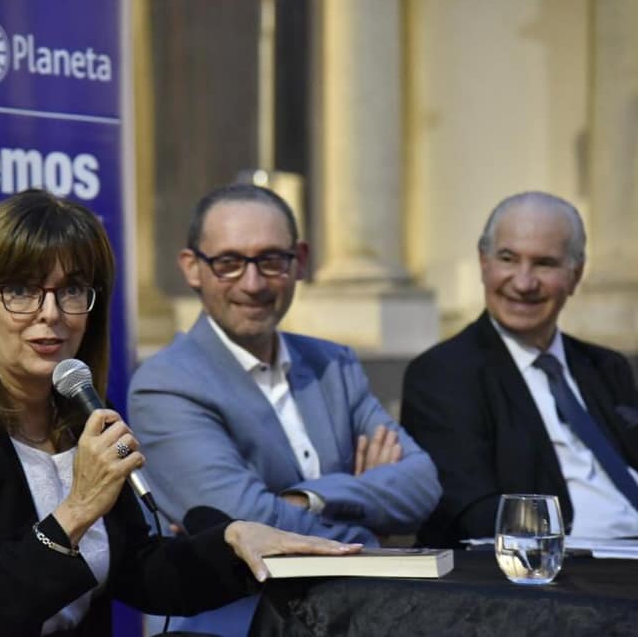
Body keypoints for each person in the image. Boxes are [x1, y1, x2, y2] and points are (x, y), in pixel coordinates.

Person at [0, 189, 361, 637]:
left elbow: (138, 570)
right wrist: (77, 509)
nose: (50, 314)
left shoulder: (79, 411)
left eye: (72, 291)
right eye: (21, 290)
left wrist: (232, 542)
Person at [128, 183, 441, 635]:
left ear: (300, 262)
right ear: (192, 268)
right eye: (229, 263)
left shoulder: (334, 364)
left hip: (355, 619)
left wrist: (308, 498)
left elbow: (421, 482)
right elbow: (247, 523)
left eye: (271, 260)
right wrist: (376, 534)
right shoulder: (166, 385)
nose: (252, 284)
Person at [400, 191, 638, 547]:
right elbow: (472, 512)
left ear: (575, 275)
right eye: (508, 258)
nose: (523, 282)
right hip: (557, 571)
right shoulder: (443, 374)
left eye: (544, 264)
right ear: (483, 262)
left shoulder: (606, 367)